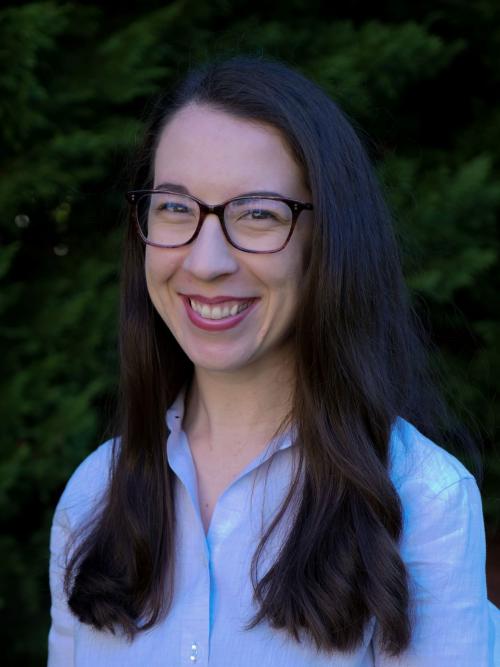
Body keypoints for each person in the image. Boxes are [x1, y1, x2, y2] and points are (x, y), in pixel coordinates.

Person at [48, 56, 500, 666]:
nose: (207, 262)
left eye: (258, 214)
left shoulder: (425, 501)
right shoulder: (91, 497)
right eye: (175, 208)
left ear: (329, 241)